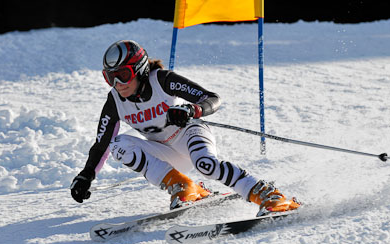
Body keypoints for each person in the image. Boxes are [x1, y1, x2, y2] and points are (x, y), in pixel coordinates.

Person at [70, 40, 300, 216]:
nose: (117, 84)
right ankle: (184, 186)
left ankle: (270, 195)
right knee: (119, 145)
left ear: (139, 70)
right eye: (110, 78)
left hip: (190, 133)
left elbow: (212, 98)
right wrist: (86, 175)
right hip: (165, 153)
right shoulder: (115, 101)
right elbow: (102, 142)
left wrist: (192, 110)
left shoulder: (162, 80)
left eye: (123, 75)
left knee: (206, 164)